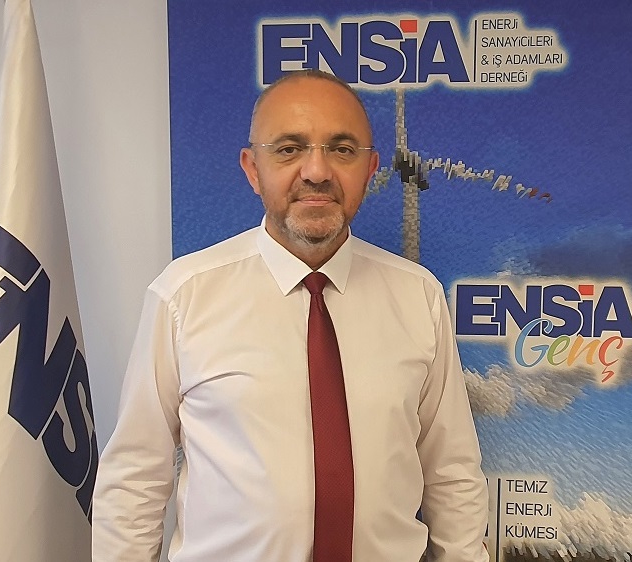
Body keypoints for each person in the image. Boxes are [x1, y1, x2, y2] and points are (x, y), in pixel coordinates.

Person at [92, 70, 489, 562]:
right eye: (288, 149)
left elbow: (451, 471)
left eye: (342, 149)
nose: (317, 171)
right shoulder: (184, 296)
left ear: (370, 169)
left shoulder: (418, 296)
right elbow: (135, 478)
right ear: (252, 168)